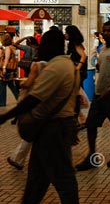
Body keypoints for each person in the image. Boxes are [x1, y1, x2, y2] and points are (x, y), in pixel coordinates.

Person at [0, 29, 80, 204]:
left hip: (53, 129)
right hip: (54, 127)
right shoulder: (69, 65)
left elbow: (34, 99)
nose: (38, 48)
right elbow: (76, 99)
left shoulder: (57, 67)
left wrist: (7, 116)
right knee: (37, 179)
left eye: (42, 44)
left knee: (63, 179)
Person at [75, 21, 110, 171]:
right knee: (91, 124)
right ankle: (92, 156)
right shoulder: (103, 49)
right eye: (104, 31)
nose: (106, 34)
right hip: (100, 95)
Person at [7, 56, 47, 170]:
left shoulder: (39, 65)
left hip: (38, 105)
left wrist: (23, 85)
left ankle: (18, 158)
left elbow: (28, 83)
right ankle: (17, 158)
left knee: (33, 133)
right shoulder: (60, 65)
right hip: (48, 106)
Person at [0, 33, 19, 106]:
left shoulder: (8, 48)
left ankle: (2, 102)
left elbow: (7, 58)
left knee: (2, 85)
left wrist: (4, 67)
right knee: (11, 85)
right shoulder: (12, 47)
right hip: (11, 69)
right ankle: (18, 98)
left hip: (7, 69)